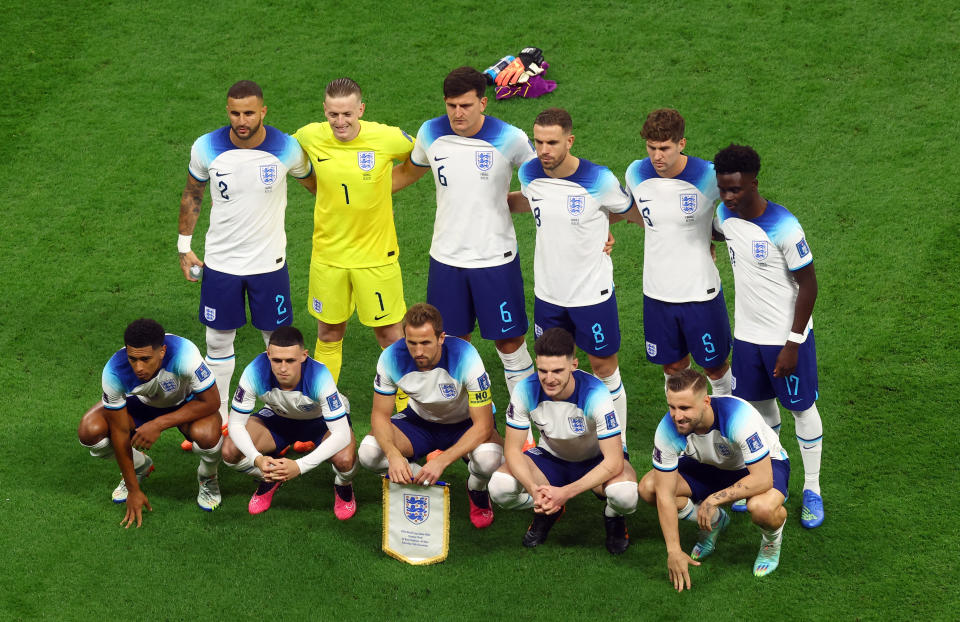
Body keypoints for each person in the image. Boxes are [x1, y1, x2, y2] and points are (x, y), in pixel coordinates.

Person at [176, 80, 315, 435]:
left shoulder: (287, 147)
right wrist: (183, 245)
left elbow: (317, 187)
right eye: (235, 113)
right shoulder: (206, 146)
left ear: (263, 111)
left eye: (249, 113)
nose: (242, 120)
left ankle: (285, 417)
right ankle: (217, 415)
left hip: (269, 266)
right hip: (220, 265)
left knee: (279, 344)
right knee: (218, 342)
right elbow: (193, 194)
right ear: (228, 111)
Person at [392, 66, 537, 403]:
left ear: (483, 102)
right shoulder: (430, 133)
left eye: (466, 106)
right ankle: (457, 419)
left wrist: (507, 203)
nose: (457, 113)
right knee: (453, 341)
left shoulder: (511, 138)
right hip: (446, 258)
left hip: (494, 260)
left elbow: (542, 188)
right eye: (451, 105)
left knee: (510, 342)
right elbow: (406, 173)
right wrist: (358, 193)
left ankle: (528, 420)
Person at [713, 143, 824, 529]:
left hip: (785, 338)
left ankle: (812, 488)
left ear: (754, 183)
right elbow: (713, 235)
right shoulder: (723, 216)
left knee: (801, 408)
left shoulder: (785, 226)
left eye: (736, 189)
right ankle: (768, 481)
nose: (728, 197)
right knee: (758, 412)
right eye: (723, 188)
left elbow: (808, 285)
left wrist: (793, 343)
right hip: (746, 337)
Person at [516, 107, 642, 449]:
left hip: (591, 295)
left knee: (603, 367)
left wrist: (601, 226)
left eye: (552, 142)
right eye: (538, 141)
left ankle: (620, 447)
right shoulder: (529, 173)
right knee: (553, 370)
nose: (544, 150)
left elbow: (629, 212)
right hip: (548, 294)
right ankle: (557, 444)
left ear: (569, 141)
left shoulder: (599, 179)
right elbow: (534, 205)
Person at [293, 78, 416, 393]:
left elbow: (422, 157)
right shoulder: (309, 136)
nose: (340, 122)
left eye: (347, 114)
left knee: (389, 334)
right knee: (329, 332)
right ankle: (322, 404)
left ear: (360, 109)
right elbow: (282, 156)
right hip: (328, 257)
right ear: (325, 110)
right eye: (333, 114)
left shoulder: (387, 138)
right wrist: (314, 185)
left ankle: (407, 405)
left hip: (376, 258)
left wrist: (385, 187)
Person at [488, 328, 638, 554]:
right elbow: (511, 450)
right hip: (551, 459)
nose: (549, 379)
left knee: (625, 496)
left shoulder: (596, 394)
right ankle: (547, 508)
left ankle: (613, 516)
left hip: (596, 460)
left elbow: (614, 462)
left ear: (574, 365)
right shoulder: (525, 389)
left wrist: (565, 493)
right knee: (499, 488)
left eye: (557, 370)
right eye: (542, 370)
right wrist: (534, 490)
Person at [638, 369, 790, 588]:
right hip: (708, 465)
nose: (677, 416)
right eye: (672, 407)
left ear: (706, 401)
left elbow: (763, 479)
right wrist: (674, 551)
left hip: (759, 466)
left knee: (762, 508)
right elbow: (663, 493)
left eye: (685, 408)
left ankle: (771, 543)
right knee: (649, 487)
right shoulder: (668, 429)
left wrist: (713, 499)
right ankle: (716, 521)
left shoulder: (737, 415)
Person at [357, 303, 503, 528]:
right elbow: (379, 416)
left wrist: (443, 460)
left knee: (490, 460)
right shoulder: (391, 357)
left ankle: (476, 488)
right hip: (420, 423)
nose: (418, 352)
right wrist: (394, 455)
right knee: (369, 453)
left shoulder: (466, 356)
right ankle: (421, 481)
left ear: (441, 338)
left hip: (465, 423)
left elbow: (483, 425)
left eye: (425, 343)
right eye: (412, 343)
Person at [624, 109, 733, 396]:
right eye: (651, 148)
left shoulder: (709, 176)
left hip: (700, 293)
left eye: (664, 148)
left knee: (715, 367)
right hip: (657, 292)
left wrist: (710, 236)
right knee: (672, 368)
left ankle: (726, 428)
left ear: (681, 144)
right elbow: (633, 211)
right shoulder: (636, 172)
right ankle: (683, 429)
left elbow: (730, 221)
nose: (657, 156)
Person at [77, 318, 223, 528]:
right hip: (143, 404)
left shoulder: (185, 355)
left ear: (162, 351)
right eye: (132, 359)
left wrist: (159, 424)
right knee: (89, 431)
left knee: (207, 435)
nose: (138, 367)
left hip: (186, 402)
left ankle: (208, 476)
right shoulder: (114, 371)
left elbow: (212, 402)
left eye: (145, 359)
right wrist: (133, 489)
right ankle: (139, 467)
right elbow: (119, 430)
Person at [221, 326, 357, 518]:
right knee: (230, 451)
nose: (283, 368)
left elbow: (341, 434)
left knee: (345, 460)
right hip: (279, 418)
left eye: (290, 360)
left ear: (303, 355)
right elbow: (235, 424)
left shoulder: (319, 375)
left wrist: (299, 466)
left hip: (320, 423)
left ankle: (343, 485)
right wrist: (256, 459)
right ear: (268, 354)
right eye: (276, 360)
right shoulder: (255, 370)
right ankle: (271, 476)